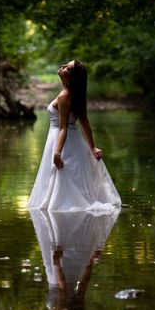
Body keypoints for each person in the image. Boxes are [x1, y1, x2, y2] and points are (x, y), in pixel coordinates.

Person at [28, 60, 121, 213]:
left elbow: (64, 127)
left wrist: (57, 152)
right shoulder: (76, 95)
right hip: (73, 140)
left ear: (71, 77)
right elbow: (84, 122)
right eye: (65, 65)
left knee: (64, 174)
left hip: (61, 140)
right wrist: (92, 147)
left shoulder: (65, 96)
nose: (63, 67)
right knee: (71, 175)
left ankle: (62, 210)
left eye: (67, 68)